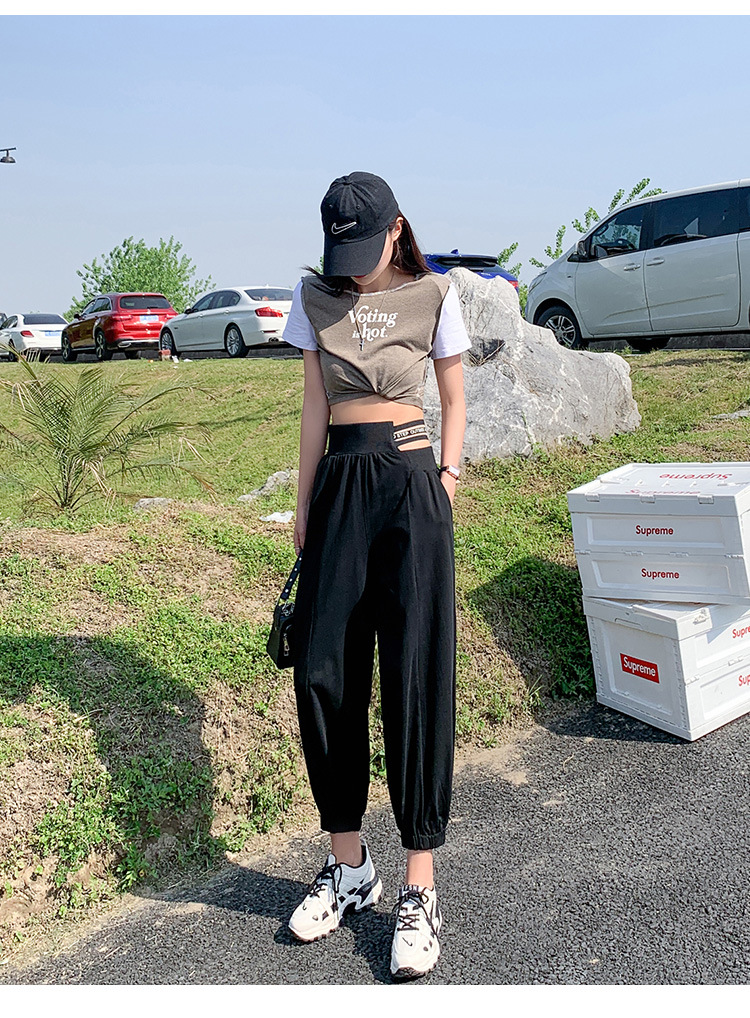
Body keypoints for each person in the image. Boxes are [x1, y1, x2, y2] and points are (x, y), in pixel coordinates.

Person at [282, 171, 471, 980]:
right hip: (341, 486)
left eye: (365, 246)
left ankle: (420, 883)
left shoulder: (435, 295)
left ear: (396, 229)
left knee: (415, 672)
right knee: (323, 670)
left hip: (411, 480)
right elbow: (314, 408)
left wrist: (447, 478)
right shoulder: (314, 298)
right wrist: (303, 507)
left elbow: (454, 395)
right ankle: (350, 866)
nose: (352, 266)